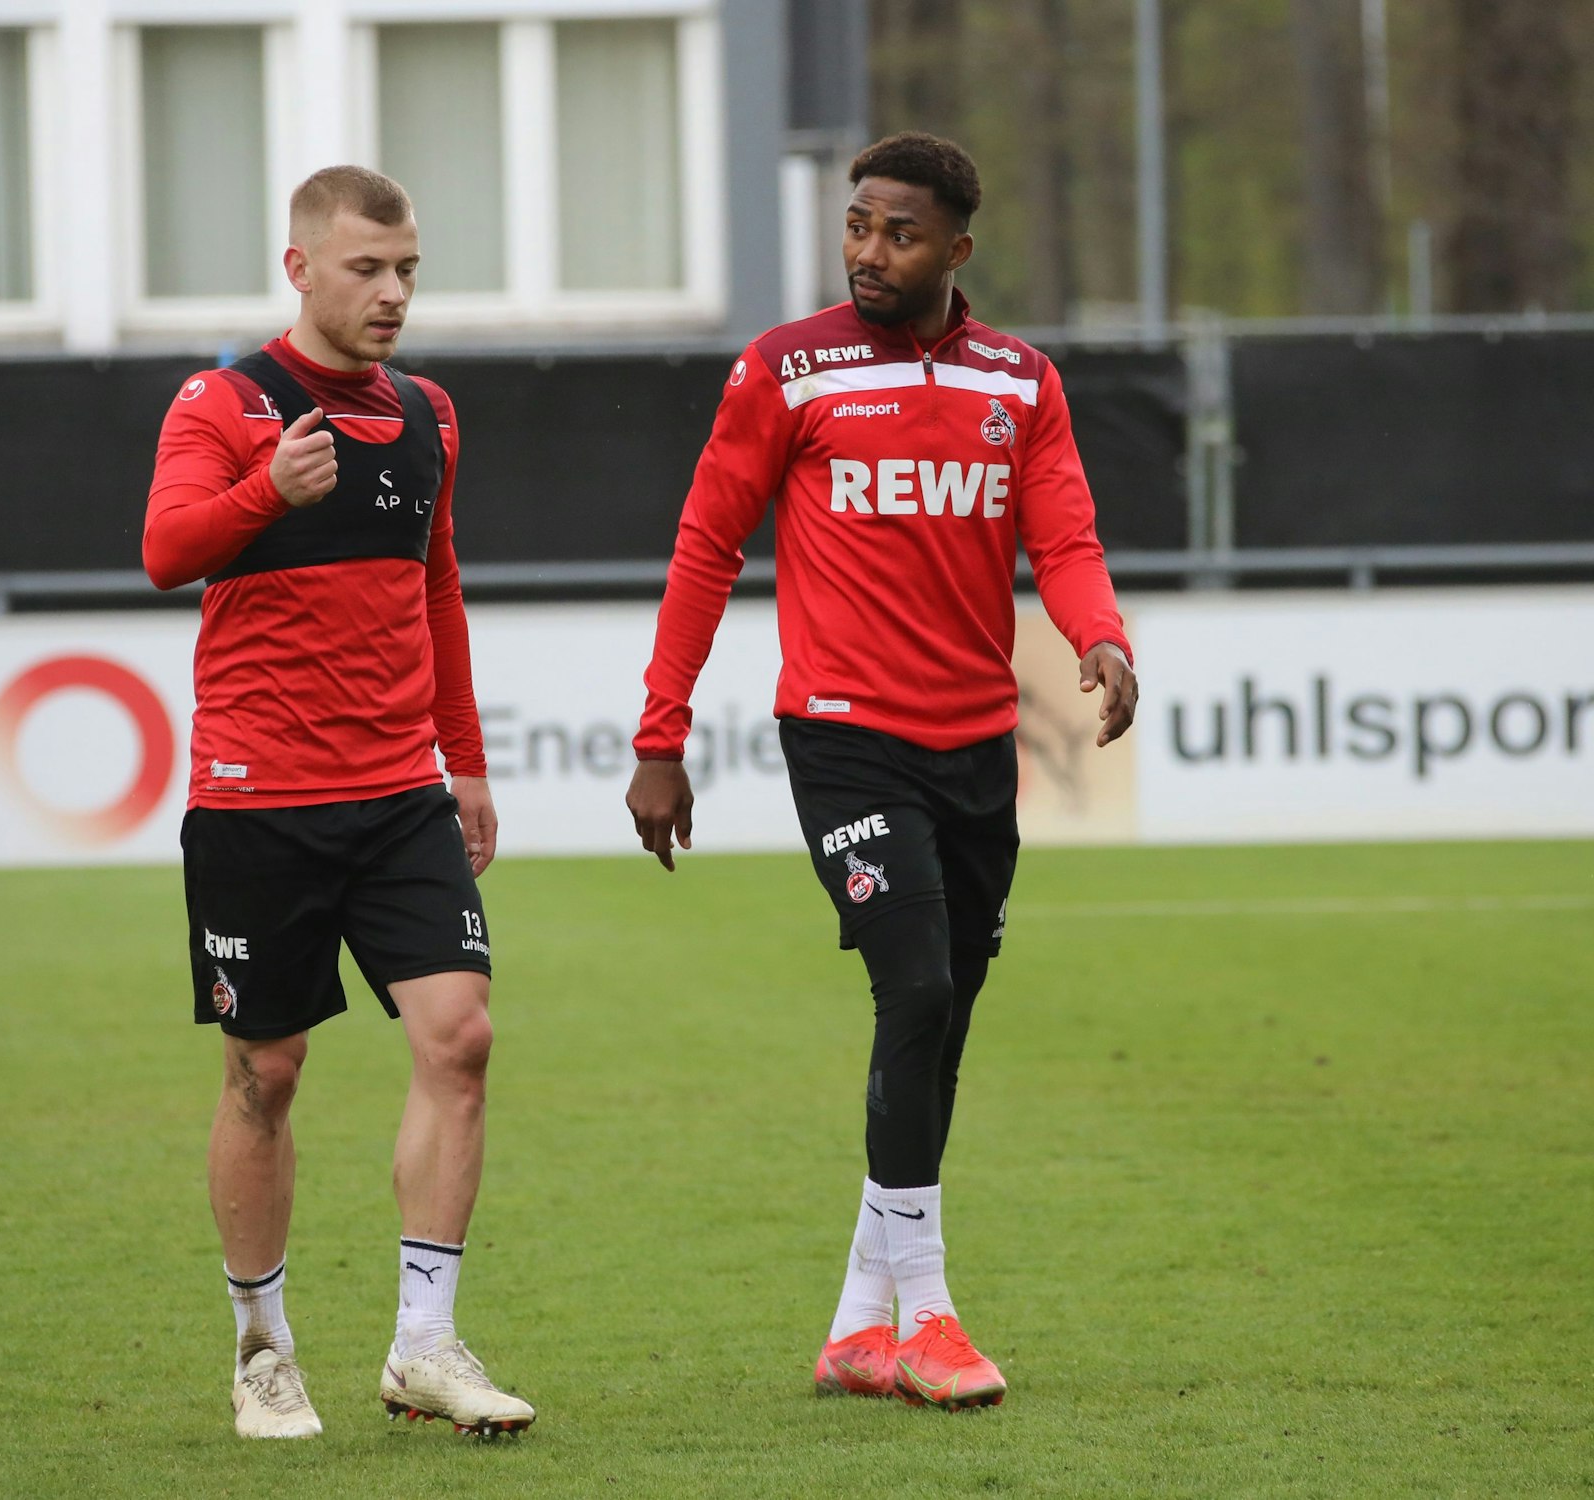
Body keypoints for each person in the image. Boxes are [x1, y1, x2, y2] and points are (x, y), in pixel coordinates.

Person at [625, 132, 1138, 1410]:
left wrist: (1102, 635)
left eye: (897, 233)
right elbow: (703, 545)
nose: (867, 251)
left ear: (956, 250)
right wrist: (658, 736)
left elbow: (1061, 532)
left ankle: (860, 1323)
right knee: (913, 988)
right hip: (844, 736)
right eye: (856, 225)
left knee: (945, 1009)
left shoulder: (1019, 381)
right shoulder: (785, 368)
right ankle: (934, 1317)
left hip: (976, 744)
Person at [142, 165, 533, 1441]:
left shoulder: (429, 413)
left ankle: (423, 1344)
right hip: (258, 799)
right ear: (299, 267)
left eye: (407, 268)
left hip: (397, 796)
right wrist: (268, 493)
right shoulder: (222, 403)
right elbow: (163, 553)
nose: (393, 293)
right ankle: (262, 1348)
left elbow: (437, 588)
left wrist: (461, 758)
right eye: (367, 269)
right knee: (268, 1070)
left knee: (459, 1038)